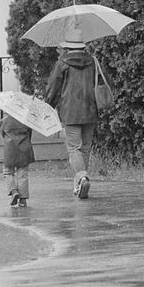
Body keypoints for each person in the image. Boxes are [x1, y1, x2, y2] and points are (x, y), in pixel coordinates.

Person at [45, 26, 99, 199]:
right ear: (83, 46)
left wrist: (48, 106)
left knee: (73, 148)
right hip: (91, 110)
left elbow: (53, 89)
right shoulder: (93, 61)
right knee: (85, 148)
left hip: (70, 112)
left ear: (67, 47)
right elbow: (105, 83)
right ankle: (79, 185)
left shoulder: (62, 63)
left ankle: (82, 177)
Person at [0, 113, 35, 207]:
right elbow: (29, 134)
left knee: (7, 172)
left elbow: (2, 134)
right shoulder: (26, 120)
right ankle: (23, 200)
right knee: (22, 174)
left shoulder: (5, 120)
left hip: (10, 149)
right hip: (24, 148)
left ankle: (14, 190)